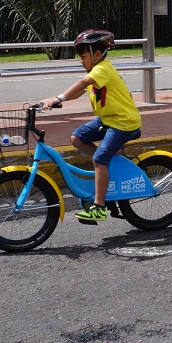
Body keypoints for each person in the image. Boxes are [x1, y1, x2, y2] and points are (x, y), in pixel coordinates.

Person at [39, 29, 142, 223]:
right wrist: (54, 99)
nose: (80, 60)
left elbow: (83, 82)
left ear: (97, 54)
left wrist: (59, 97)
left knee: (99, 160)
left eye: (83, 55)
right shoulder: (95, 71)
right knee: (77, 138)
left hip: (123, 122)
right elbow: (79, 91)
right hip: (108, 119)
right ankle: (105, 165)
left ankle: (99, 207)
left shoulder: (102, 69)